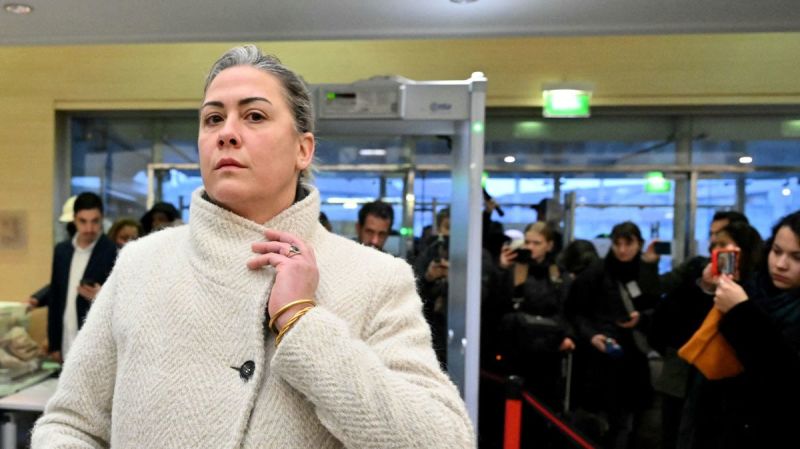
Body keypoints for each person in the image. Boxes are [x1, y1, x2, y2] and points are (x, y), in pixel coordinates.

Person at [32, 45, 473, 448]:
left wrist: (301, 321)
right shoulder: (141, 265)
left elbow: (445, 441)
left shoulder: (374, 278)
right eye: (213, 118)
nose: (227, 133)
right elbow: (70, 425)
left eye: (255, 116)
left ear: (303, 149)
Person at [676, 212, 799, 449]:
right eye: (776, 251)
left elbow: (782, 378)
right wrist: (706, 288)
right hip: (722, 425)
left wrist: (742, 312)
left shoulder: (747, 302)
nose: (781, 264)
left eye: (797, 257)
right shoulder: (752, 287)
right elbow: (677, 333)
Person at [649, 210, 750, 449]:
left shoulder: (755, 284)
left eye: (722, 239)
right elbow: (664, 316)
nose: (715, 244)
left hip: (724, 385)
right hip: (681, 375)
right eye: (712, 237)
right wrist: (703, 287)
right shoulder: (696, 270)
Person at [566, 221, 660, 449]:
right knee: (598, 421)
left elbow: (656, 305)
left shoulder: (644, 271)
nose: (622, 250)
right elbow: (575, 311)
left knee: (628, 422)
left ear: (639, 244)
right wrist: (592, 336)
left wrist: (642, 318)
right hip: (600, 358)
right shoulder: (596, 273)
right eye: (618, 244)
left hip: (634, 357)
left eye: (628, 244)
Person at [28, 192, 117, 363]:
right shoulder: (62, 251)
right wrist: (54, 344)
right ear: (74, 220)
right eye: (83, 221)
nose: (89, 228)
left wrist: (101, 296)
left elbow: (124, 298)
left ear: (102, 219)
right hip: (66, 338)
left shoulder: (112, 251)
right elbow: (56, 297)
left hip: (97, 343)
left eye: (95, 221)